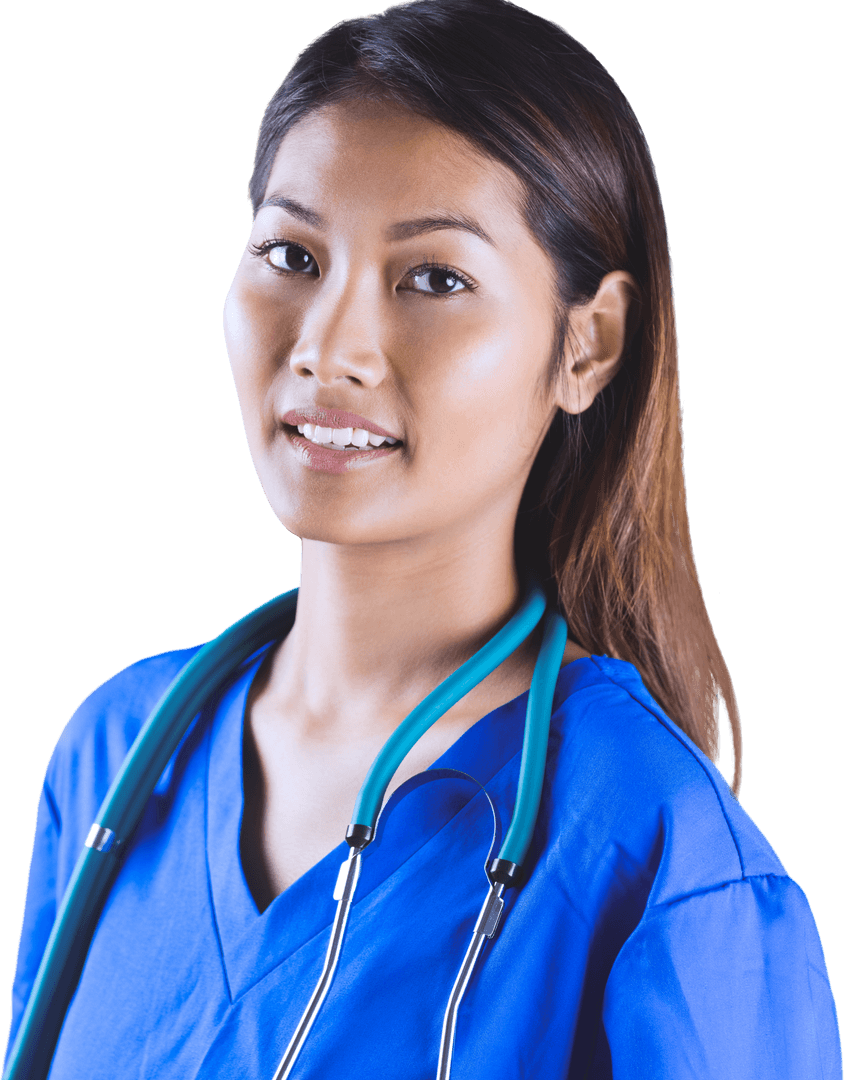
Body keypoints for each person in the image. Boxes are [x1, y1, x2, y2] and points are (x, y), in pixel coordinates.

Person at [4, 1, 841, 1077]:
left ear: (586, 347)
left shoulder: (661, 854)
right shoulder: (119, 757)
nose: (329, 347)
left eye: (433, 280)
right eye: (292, 255)